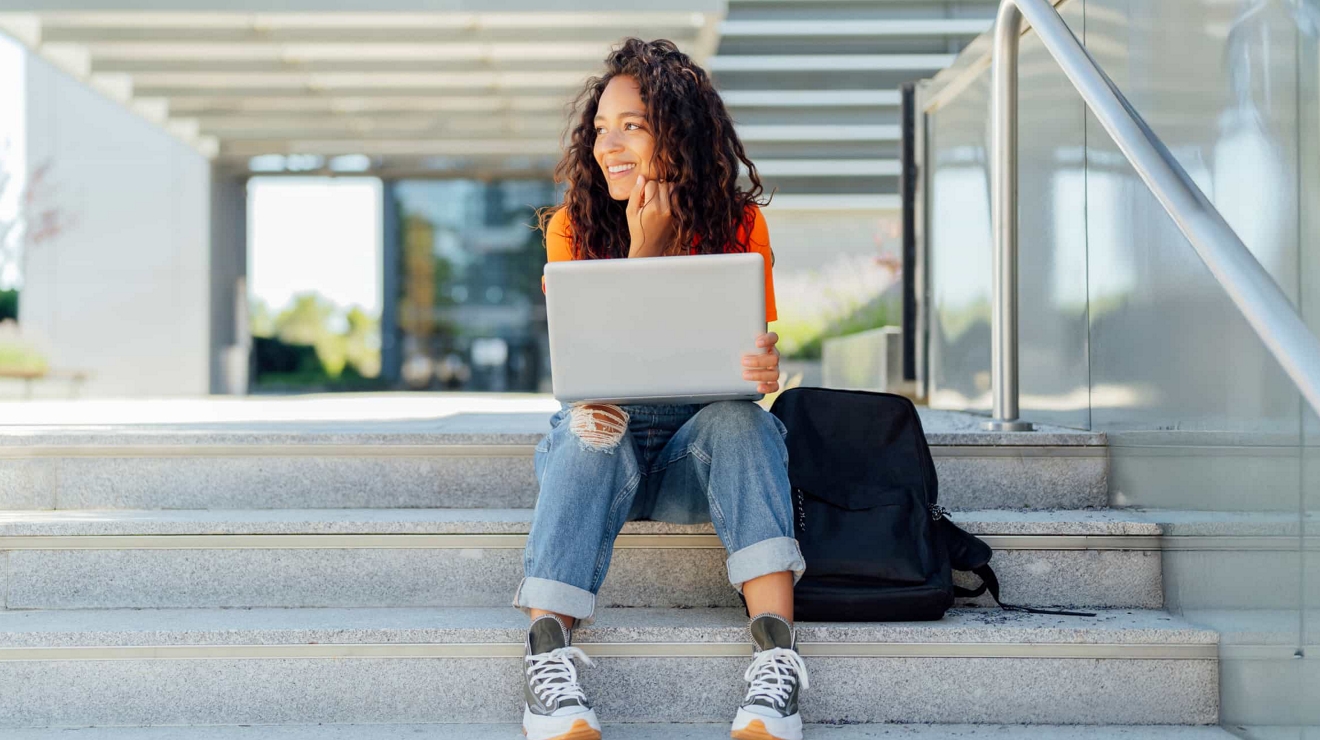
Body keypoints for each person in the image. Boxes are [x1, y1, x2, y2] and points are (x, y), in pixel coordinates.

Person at [514, 37, 809, 740]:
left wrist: (762, 367)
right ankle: (548, 666)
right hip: (602, 458)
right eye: (599, 130)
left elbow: (749, 351)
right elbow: (590, 379)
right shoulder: (571, 229)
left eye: (631, 126)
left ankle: (777, 667)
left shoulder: (741, 225)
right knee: (589, 425)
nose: (606, 145)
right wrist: (643, 250)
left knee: (746, 422)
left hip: (692, 464)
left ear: (678, 132)